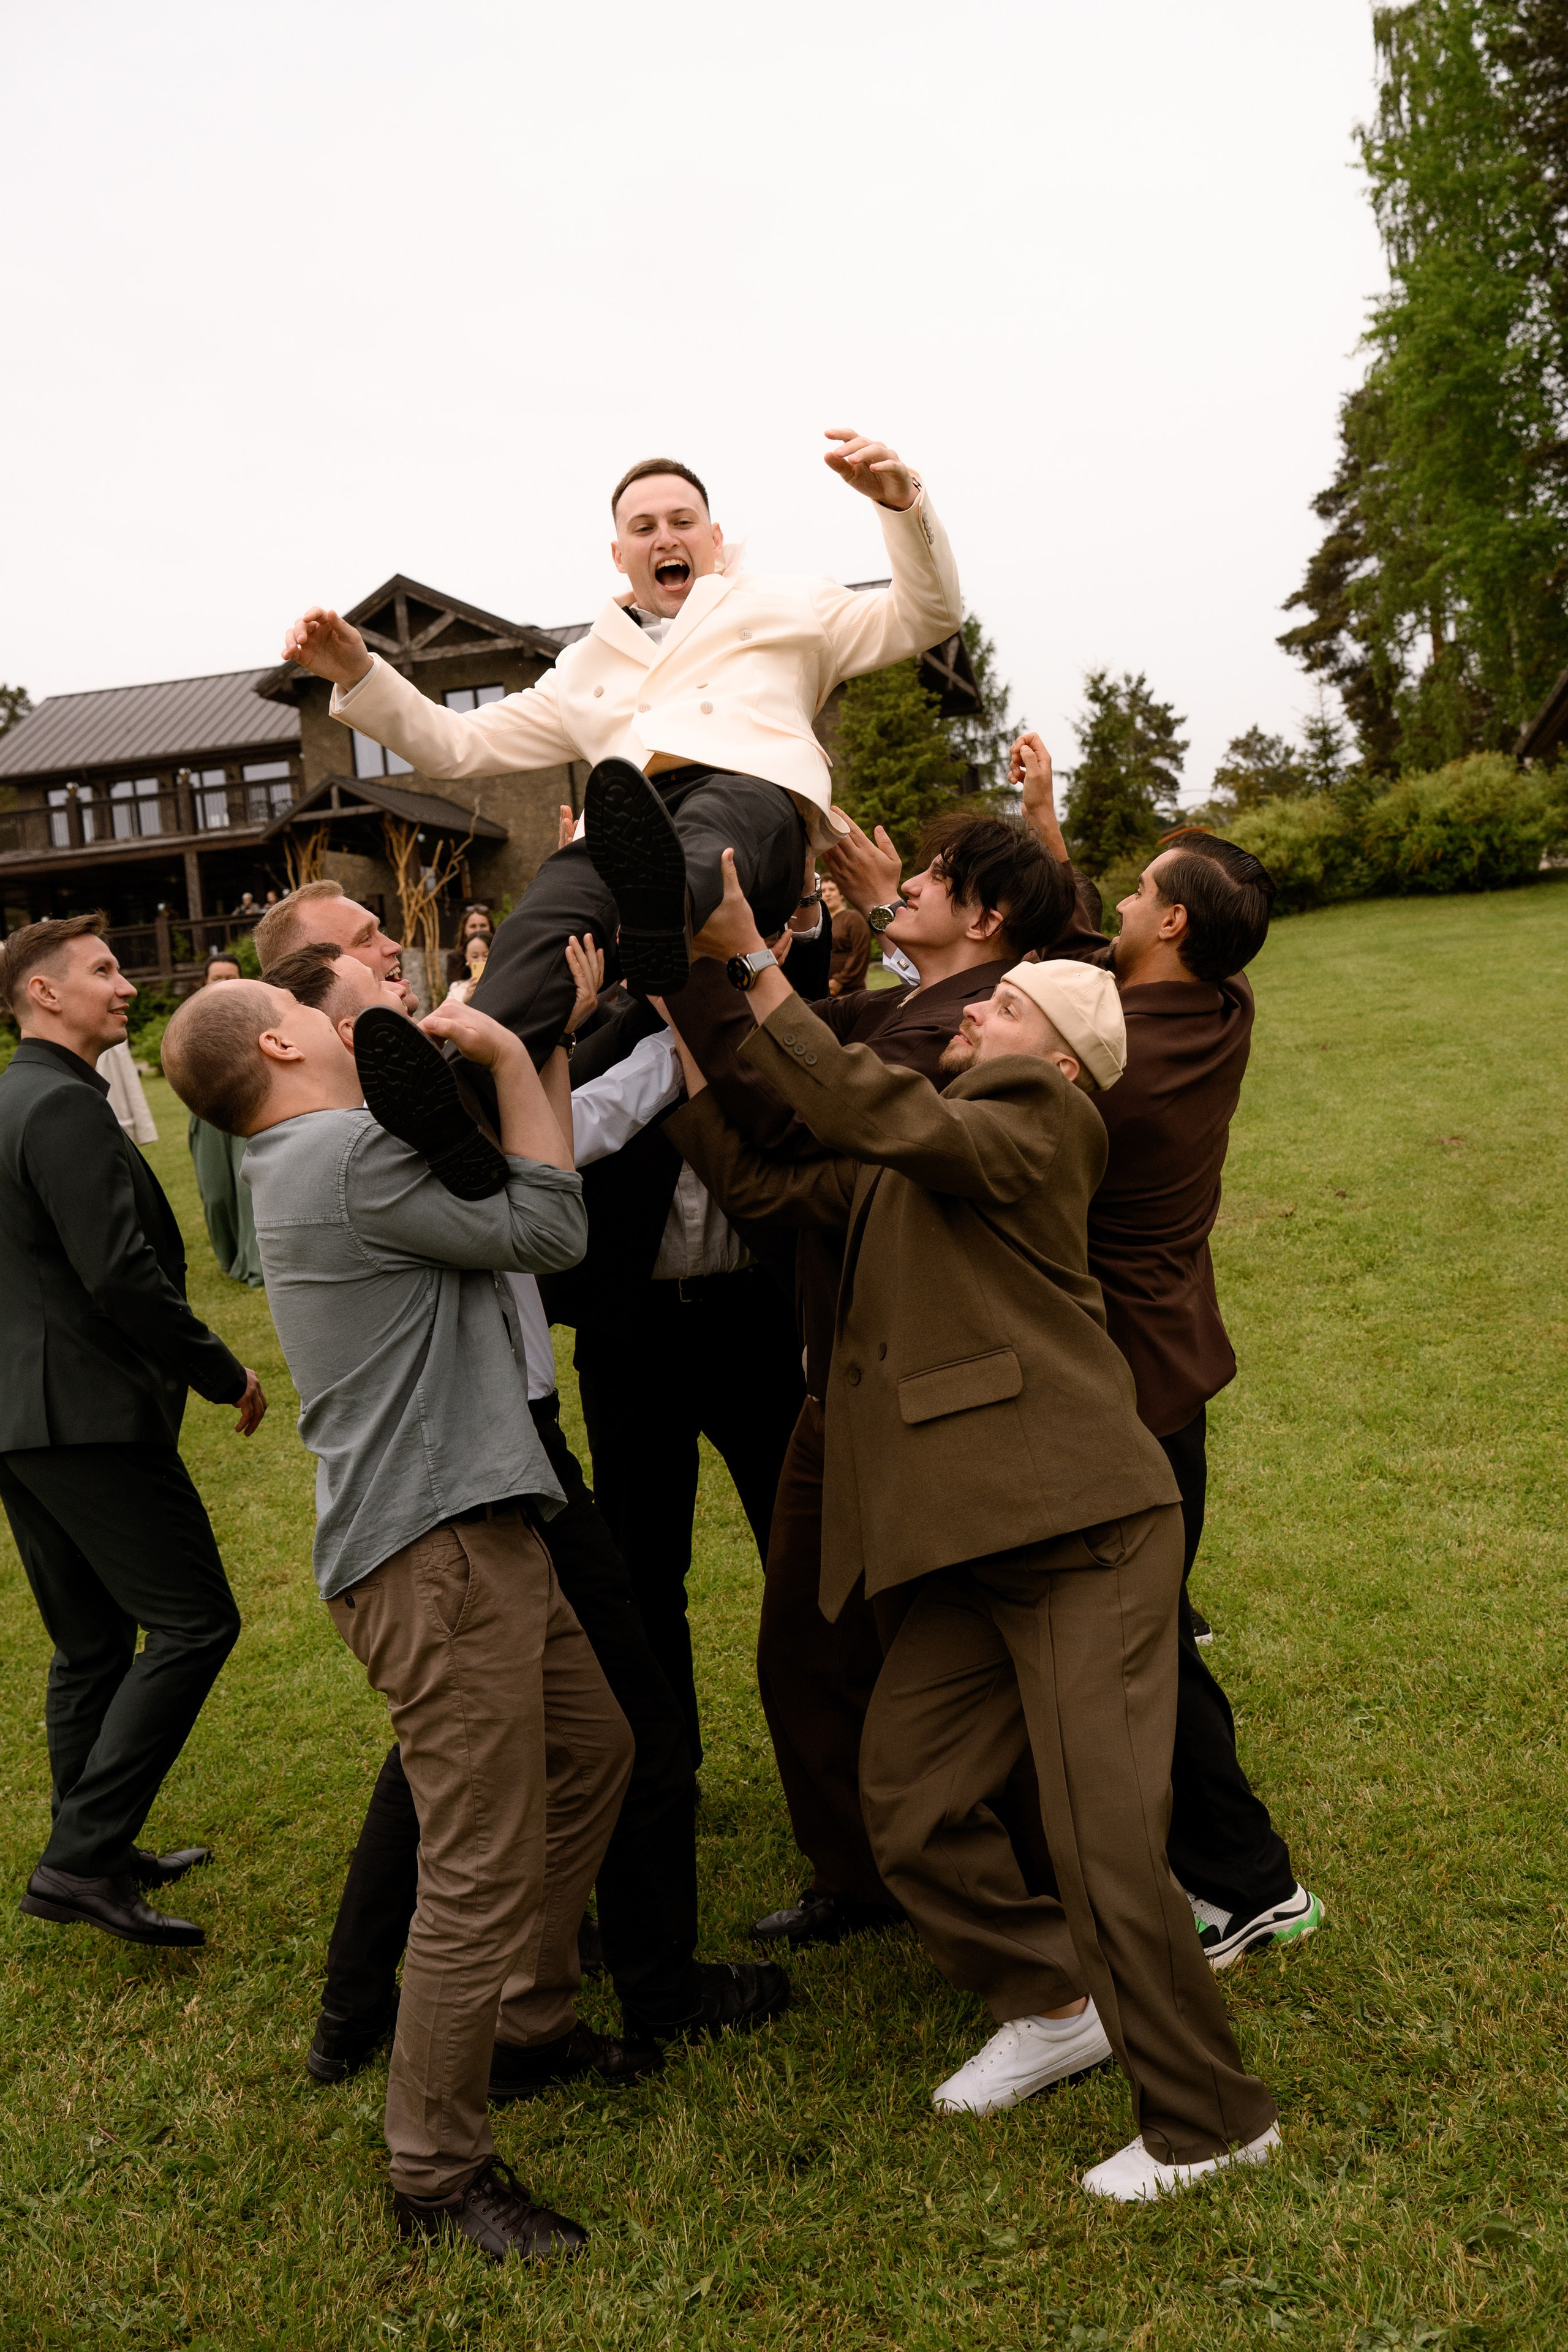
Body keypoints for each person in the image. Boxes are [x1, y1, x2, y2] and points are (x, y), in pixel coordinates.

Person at [661, 861, 1280, 2203]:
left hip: (1077, 1532)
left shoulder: (1038, 1121)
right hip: (964, 1546)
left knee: (1107, 1842)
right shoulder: (932, 1141)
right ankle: (1053, 2002)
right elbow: (780, 1195)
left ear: (1058, 1056)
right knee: (908, 1799)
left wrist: (755, 974)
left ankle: (1212, 2115)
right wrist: (683, 1032)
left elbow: (878, 1109)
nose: (966, 1020)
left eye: (998, 1012)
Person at [162, 973, 629, 2264]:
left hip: (475, 1525)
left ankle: (529, 2021)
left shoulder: (299, 1159)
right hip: (439, 1556)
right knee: (473, 1870)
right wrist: (511, 1053)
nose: (341, 1011)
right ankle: (434, 2169)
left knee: (596, 1753)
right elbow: (548, 1229)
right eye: (307, 1007)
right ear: (276, 1042)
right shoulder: (344, 1154)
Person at [262, 940, 790, 2070]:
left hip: (499, 1453)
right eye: (371, 991)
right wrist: (539, 1035)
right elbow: (552, 1207)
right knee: (600, 1737)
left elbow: (551, 1142)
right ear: (295, 1035)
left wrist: (548, 1026)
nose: (402, 993)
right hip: (483, 1467)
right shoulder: (373, 1149)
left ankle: (373, 2009)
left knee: (485, 1748)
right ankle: (637, 1989)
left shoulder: (388, 1129)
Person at [668, 811, 1099, 1950]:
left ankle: (1020, 1885)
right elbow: (786, 1079)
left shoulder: (986, 1030)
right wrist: (699, 997)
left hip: (935, 1407)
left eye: (935, 876)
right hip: (844, 1387)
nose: (906, 883)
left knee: (943, 1658)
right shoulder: (918, 1005)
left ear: (992, 920)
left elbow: (796, 1100)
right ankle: (872, 1874)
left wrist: (714, 966)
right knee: (815, 1644)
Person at [280, 428, 962, 1055]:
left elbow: (926, 615)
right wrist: (360, 672)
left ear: (715, 539)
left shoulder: (790, 605)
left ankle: (664, 916)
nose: (664, 537)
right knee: (543, 922)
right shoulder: (582, 666)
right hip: (622, 828)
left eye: (681, 522)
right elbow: (455, 745)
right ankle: (459, 1073)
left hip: (751, 808)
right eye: (644, 528)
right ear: (619, 555)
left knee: (706, 833)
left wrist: (903, 507)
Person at [1011, 734, 1323, 1967]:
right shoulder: (1221, 1000)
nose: (1121, 901)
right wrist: (1042, 822)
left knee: (1138, 1641)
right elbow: (1094, 940)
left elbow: (1069, 998)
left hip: (1121, 1380)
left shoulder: (1111, 1072)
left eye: (1144, 891)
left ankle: (1248, 1886)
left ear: (1175, 925)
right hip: (1170, 1370)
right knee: (1150, 1614)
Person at [0, 916, 265, 1948]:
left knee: (92, 1642)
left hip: (26, 1418)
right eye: (104, 972)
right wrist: (219, 1367)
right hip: (88, 1414)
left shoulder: (20, 1095)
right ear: (43, 996)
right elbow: (118, 1272)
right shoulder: (60, 1107)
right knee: (196, 1622)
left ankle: (95, 1846)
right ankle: (77, 1862)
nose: (123, 987)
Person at [186, 952, 264, 1287]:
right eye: (217, 978)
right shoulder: (188, 1021)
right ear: (205, 983)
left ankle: (255, 1264)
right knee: (216, 1192)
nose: (224, 984)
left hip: (249, 1105)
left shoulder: (258, 1015)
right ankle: (228, 1257)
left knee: (248, 1190)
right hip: (207, 1113)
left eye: (231, 977)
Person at [821, 876, 871, 996]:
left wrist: (840, 981)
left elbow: (860, 952)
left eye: (832, 890)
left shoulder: (853, 918)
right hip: (824, 992)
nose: (827, 894)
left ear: (841, 894)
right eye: (823, 891)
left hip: (850, 993)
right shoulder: (820, 923)